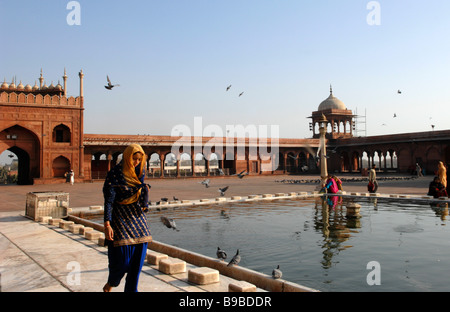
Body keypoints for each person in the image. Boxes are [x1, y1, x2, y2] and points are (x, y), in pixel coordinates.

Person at [102, 144, 152, 292]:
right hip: (120, 219)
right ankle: (112, 281)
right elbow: (109, 201)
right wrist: (107, 224)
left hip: (138, 218)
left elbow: (140, 188)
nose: (136, 162)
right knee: (123, 262)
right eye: (134, 159)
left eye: (139, 159)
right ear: (127, 157)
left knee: (137, 265)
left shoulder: (139, 172)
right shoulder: (115, 174)